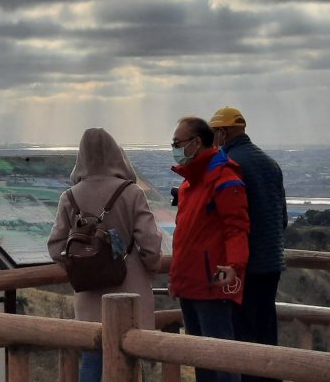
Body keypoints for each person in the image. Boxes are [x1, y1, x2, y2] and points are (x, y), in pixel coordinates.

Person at [47, 127, 164, 382]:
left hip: (89, 295)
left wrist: (83, 263)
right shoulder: (131, 193)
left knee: (92, 357)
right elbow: (151, 246)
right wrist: (148, 266)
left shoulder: (70, 197)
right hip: (130, 291)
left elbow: (56, 247)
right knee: (130, 357)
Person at [168, 116, 250, 382]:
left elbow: (237, 228)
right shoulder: (189, 182)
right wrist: (176, 278)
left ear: (196, 142)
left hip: (212, 282)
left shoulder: (224, 178)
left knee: (221, 356)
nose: (174, 148)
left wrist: (235, 267)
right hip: (190, 282)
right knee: (199, 356)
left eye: (177, 142)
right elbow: (185, 235)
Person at [209, 106, 287, 382]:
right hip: (272, 261)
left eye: (214, 132)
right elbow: (283, 217)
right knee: (266, 333)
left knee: (241, 335)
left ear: (222, 131)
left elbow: (225, 220)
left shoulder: (228, 164)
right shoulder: (269, 163)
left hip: (241, 264)